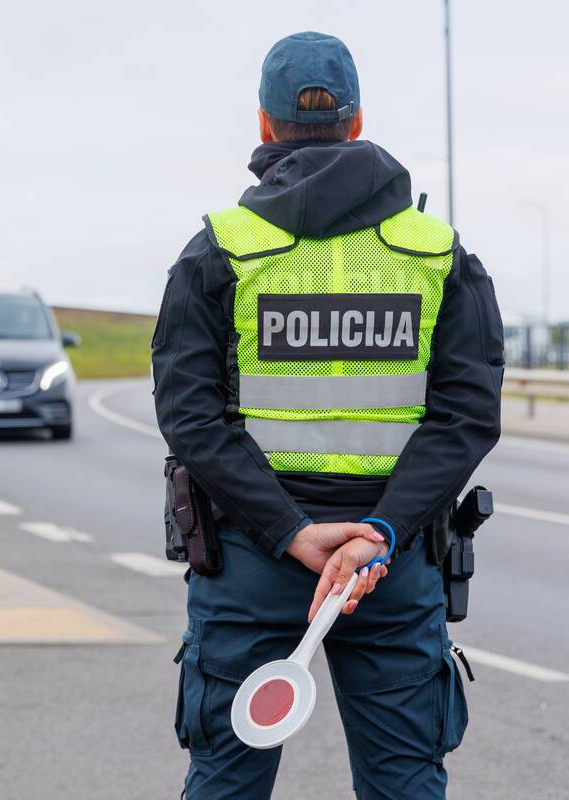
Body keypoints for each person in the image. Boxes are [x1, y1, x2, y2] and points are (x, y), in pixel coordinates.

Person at [151, 32, 504, 799]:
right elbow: (468, 416)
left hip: (252, 564)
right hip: (389, 566)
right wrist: (379, 533)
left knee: (225, 782)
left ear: (264, 124)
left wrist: (290, 532)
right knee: (405, 784)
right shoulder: (437, 255)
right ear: (357, 119)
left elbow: (189, 416)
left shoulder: (219, 251)